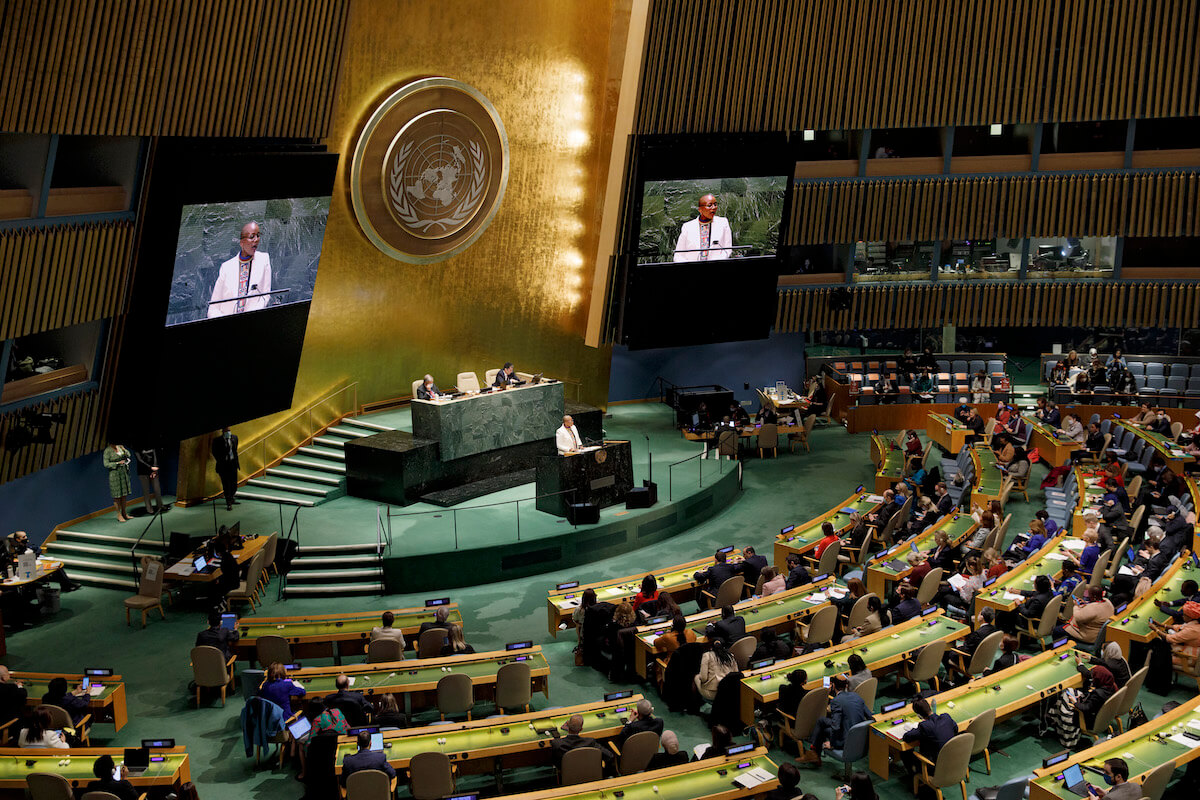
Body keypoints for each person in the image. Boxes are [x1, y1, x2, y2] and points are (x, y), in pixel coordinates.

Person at [797, 675, 872, 766]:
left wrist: (832, 744)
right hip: (861, 736)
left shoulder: (836, 701)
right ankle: (814, 753)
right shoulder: (856, 696)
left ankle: (813, 752)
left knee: (822, 727)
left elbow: (835, 726)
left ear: (833, 685)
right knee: (822, 721)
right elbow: (870, 716)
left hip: (846, 741)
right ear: (846, 686)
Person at [208, 221, 271, 317]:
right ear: (242, 243)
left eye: (258, 236)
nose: (256, 240)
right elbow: (213, 307)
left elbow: (265, 296)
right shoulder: (227, 267)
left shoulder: (264, 260)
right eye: (252, 236)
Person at [5, 531, 79, 592]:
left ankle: (67, 585)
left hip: (35, 562)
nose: (26, 538)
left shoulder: (27, 544)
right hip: (25, 569)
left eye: (26, 536)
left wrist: (33, 554)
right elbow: (18, 558)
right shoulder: (14, 548)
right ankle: (67, 585)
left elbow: (38, 549)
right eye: (23, 537)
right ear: (18, 539)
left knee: (58, 567)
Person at [901, 696, 957, 772]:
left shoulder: (925, 726)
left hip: (935, 766)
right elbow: (956, 729)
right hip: (955, 760)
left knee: (904, 751)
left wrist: (914, 729)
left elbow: (906, 737)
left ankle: (913, 775)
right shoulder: (946, 717)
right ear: (930, 706)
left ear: (918, 715)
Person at [672, 193, 732, 262]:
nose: (714, 207)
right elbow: (678, 255)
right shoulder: (687, 227)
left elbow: (727, 250)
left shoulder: (723, 223)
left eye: (715, 204)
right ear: (700, 210)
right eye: (709, 205)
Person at [211, 426, 240, 510]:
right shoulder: (217, 441)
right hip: (223, 466)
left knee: (234, 484)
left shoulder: (234, 438)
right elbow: (214, 452)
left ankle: (231, 498)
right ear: (223, 431)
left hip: (233, 464)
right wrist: (221, 460)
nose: (228, 432)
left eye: (229, 430)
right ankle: (228, 502)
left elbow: (235, 450)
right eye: (227, 431)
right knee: (226, 484)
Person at [102, 441, 133, 522]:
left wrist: (124, 449)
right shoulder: (107, 451)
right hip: (114, 474)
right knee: (117, 496)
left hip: (123, 473)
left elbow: (129, 455)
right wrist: (117, 463)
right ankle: (119, 515)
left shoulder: (120, 447)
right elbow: (106, 464)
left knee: (124, 494)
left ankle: (124, 513)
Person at [134, 445, 167, 515]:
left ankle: (160, 506)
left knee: (157, 489)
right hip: (143, 472)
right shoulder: (136, 448)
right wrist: (150, 468)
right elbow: (140, 460)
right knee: (146, 491)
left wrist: (154, 469)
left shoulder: (151, 445)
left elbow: (155, 457)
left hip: (153, 471)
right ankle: (149, 509)